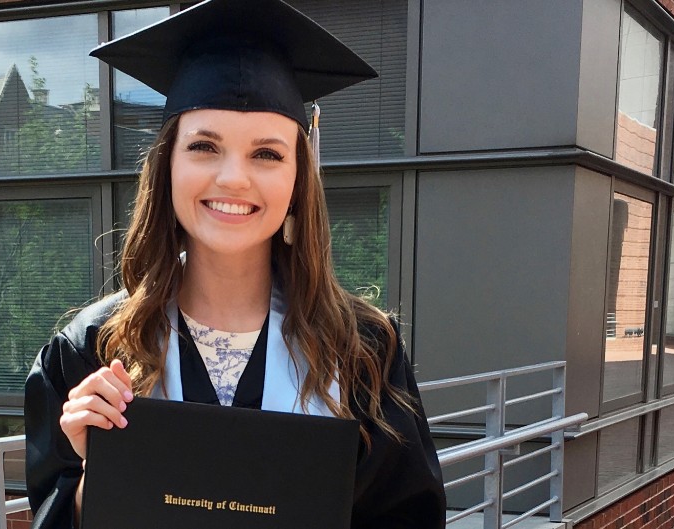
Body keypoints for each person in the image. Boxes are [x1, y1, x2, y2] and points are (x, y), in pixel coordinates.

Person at [23, 0, 445, 527]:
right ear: (167, 165)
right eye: (204, 146)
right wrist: (98, 469)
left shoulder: (362, 352)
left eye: (266, 153)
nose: (234, 179)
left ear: (297, 178)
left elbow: (409, 518)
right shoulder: (91, 351)